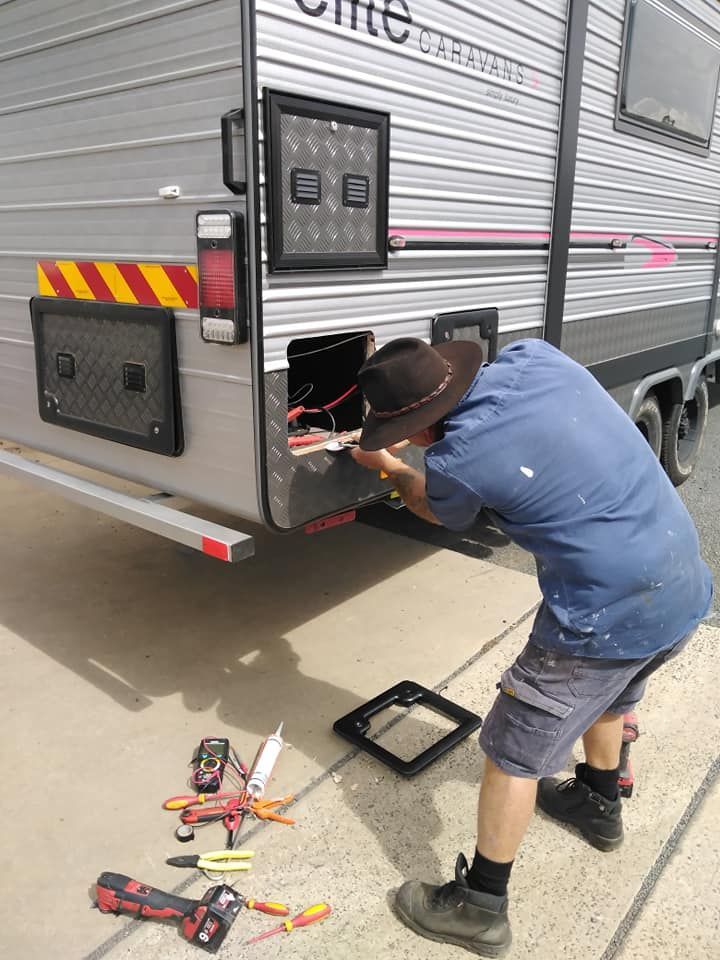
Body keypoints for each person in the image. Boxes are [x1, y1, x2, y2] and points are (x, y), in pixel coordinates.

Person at [351, 336, 713, 957]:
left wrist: (393, 468)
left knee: (513, 749)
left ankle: (480, 907)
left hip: (604, 610)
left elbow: (435, 509)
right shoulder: (534, 358)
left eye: (408, 428)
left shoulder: (458, 457)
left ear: (424, 426)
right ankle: (600, 804)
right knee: (612, 696)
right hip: (680, 583)